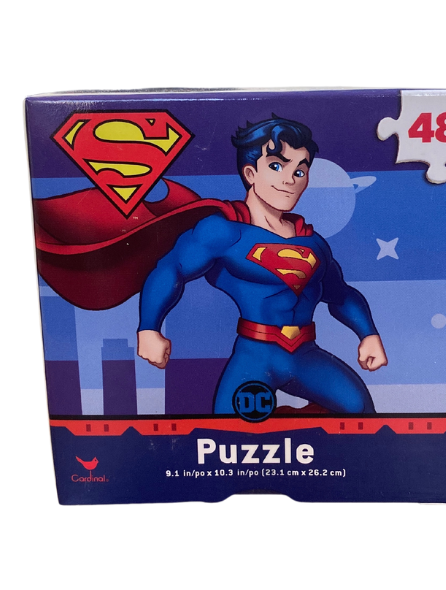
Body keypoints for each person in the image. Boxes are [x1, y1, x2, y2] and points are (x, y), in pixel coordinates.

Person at [137, 115, 387, 414]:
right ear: (250, 173)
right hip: (255, 356)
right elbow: (171, 268)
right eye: (277, 166)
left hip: (305, 354)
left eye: (300, 170)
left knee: (361, 414)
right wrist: (148, 329)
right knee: (228, 431)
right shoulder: (224, 232)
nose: (289, 180)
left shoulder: (314, 243)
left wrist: (368, 334)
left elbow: (340, 294)